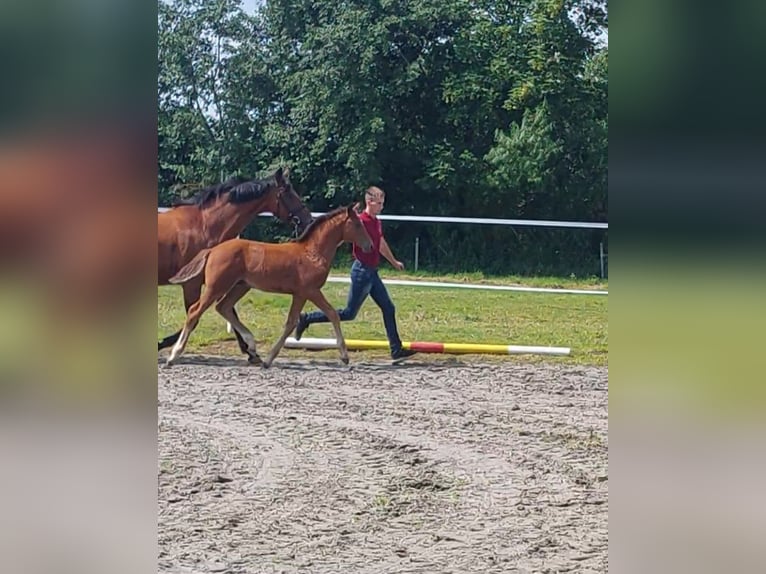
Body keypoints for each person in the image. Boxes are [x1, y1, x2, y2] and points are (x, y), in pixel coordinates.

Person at [294, 186, 417, 363]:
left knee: (388, 308)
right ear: (369, 202)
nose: (382, 207)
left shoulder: (376, 221)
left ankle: (396, 349)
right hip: (361, 272)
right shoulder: (360, 222)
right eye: (379, 203)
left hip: (372, 272)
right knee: (349, 313)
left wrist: (393, 261)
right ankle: (307, 319)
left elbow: (380, 243)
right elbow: (340, 238)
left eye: (383, 203)